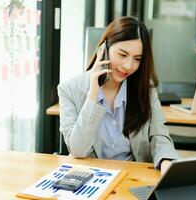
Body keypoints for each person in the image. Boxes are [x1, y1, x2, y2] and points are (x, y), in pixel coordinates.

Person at [57, 16, 179, 174]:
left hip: (134, 176)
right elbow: (78, 149)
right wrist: (93, 94)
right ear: (104, 49)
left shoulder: (145, 89)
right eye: (122, 55)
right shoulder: (69, 90)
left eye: (137, 59)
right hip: (92, 178)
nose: (128, 66)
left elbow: (159, 135)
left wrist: (166, 162)